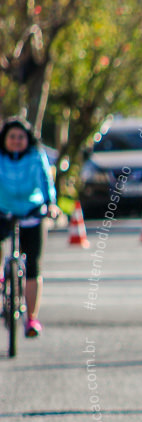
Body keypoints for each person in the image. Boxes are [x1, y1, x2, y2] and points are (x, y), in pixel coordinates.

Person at [0, 118, 59, 338]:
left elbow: (47, 183)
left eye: (21, 137)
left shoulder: (36, 156)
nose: (16, 141)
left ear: (28, 139)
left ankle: (31, 318)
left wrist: (51, 205)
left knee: (33, 264)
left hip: (32, 211)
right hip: (2, 210)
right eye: (12, 137)